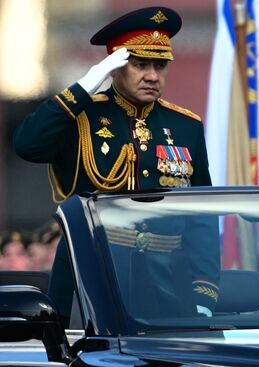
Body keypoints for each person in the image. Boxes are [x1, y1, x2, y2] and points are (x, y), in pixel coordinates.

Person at [13, 7, 219, 323]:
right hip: (92, 272)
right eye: (139, 65)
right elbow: (27, 144)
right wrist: (82, 88)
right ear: (114, 68)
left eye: (160, 66)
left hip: (168, 282)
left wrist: (203, 291)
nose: (152, 75)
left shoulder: (185, 126)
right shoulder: (81, 115)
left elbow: (201, 215)